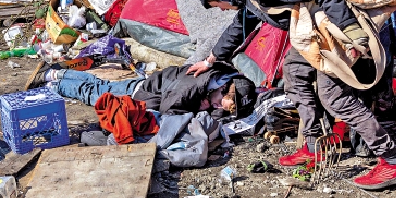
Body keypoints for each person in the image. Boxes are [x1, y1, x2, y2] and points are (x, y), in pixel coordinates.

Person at [191, 0, 396, 190]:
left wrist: (351, 31)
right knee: (294, 72)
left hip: (340, 27)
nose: (220, 9)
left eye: (216, 3)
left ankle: (393, 161)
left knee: (334, 98)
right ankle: (313, 146)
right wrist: (210, 60)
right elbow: (239, 27)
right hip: (318, 29)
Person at [26, 60, 257, 118]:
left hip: (146, 86)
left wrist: (211, 106)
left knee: (100, 85)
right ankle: (53, 81)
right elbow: (168, 109)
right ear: (225, 88)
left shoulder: (217, 76)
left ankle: (56, 73)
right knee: (92, 94)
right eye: (221, 103)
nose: (217, 107)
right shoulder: (193, 88)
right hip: (139, 94)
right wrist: (198, 108)